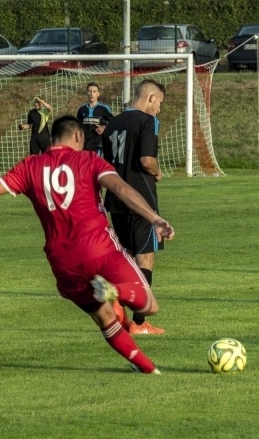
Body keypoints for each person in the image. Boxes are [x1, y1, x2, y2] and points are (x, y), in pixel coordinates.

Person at [0, 115, 175, 374]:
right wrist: (155, 218)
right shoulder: (88, 160)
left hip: (63, 262)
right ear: (77, 137)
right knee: (149, 305)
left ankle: (147, 369)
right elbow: (121, 189)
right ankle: (115, 291)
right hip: (100, 249)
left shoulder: (31, 166)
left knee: (105, 319)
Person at [102, 79, 167, 335]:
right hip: (141, 199)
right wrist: (157, 172)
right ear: (150, 98)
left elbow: (105, 162)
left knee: (125, 258)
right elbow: (147, 160)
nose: (159, 110)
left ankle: (116, 313)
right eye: (159, 103)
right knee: (145, 257)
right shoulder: (147, 121)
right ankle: (139, 323)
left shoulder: (113, 123)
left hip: (116, 198)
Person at [76, 82, 114, 155]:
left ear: (98, 94)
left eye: (94, 91)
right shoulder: (81, 109)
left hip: (98, 145)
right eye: (89, 91)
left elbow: (114, 122)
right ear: (87, 93)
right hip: (84, 145)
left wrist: (104, 127)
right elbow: (78, 126)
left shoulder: (104, 109)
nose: (92, 94)